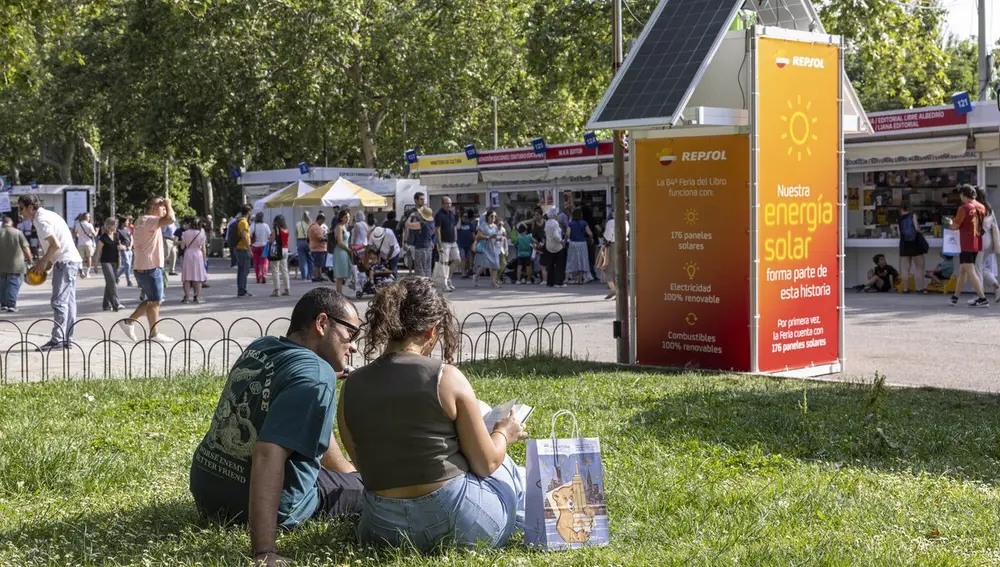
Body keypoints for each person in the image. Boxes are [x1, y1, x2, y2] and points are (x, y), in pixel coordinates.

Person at [339, 276, 527, 552]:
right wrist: (504, 433)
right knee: (509, 468)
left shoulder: (350, 387)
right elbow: (487, 464)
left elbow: (364, 465)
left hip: (381, 529)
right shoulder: (445, 377)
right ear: (432, 331)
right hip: (460, 524)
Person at [190, 288, 364, 565]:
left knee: (352, 477)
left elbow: (295, 391)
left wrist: (327, 378)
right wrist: (264, 552)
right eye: (351, 333)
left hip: (209, 495)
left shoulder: (262, 346)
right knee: (371, 492)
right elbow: (267, 455)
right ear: (322, 323)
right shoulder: (315, 377)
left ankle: (350, 475)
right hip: (267, 506)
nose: (353, 345)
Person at [18, 195, 83, 349]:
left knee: (59, 301)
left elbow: (56, 244)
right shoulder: (49, 215)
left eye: (21, 208)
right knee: (69, 302)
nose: (20, 212)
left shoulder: (41, 220)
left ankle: (57, 340)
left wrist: (43, 261)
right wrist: (49, 262)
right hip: (69, 261)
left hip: (65, 262)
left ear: (30, 207)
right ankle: (68, 339)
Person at [118, 197, 176, 343]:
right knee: (155, 301)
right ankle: (154, 334)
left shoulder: (143, 220)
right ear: (153, 208)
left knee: (152, 300)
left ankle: (129, 322)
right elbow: (170, 219)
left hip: (145, 267)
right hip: (150, 267)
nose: (164, 209)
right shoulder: (149, 220)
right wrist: (169, 204)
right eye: (161, 207)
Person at [945, 184, 989, 307]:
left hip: (966, 242)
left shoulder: (964, 208)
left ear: (964, 195)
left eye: (961, 195)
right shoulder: (981, 207)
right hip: (977, 241)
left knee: (969, 270)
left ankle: (982, 298)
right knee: (963, 270)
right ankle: (955, 297)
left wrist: (950, 222)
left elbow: (955, 226)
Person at [0, 215, 33, 313]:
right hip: (16, 265)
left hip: (1, 265)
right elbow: (26, 248)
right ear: (11, 223)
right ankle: (11, 305)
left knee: (2, 284)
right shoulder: (18, 232)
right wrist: (30, 261)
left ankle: (4, 304)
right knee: (14, 284)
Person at [974, 187, 1000, 302]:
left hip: (981, 239)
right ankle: (997, 287)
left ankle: (981, 296)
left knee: (977, 268)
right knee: (981, 266)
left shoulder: (978, 208)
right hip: (989, 239)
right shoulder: (988, 207)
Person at [897, 204, 928, 294]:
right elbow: (917, 228)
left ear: (902, 210)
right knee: (919, 267)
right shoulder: (913, 215)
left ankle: (906, 289)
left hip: (904, 244)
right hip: (914, 244)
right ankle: (920, 288)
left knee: (905, 268)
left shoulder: (899, 220)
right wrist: (922, 232)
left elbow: (899, 233)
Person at [96, 217, 124, 312]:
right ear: (108, 225)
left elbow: (119, 247)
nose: (115, 226)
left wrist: (122, 247)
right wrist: (95, 265)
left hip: (115, 261)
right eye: (113, 224)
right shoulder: (103, 237)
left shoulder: (116, 235)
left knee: (110, 283)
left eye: (116, 224)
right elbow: (98, 252)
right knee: (112, 282)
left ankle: (106, 304)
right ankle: (116, 304)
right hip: (105, 262)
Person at [434, 197, 460, 291]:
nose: (449, 205)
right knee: (444, 264)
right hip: (444, 242)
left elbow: (454, 226)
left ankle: (448, 279)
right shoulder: (439, 215)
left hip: (453, 241)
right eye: (447, 203)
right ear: (442, 204)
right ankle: (444, 284)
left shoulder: (452, 214)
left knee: (457, 260)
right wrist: (440, 244)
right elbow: (437, 230)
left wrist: (456, 239)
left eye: (450, 203)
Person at [181, 217, 208, 304]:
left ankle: (187, 297)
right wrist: (204, 259)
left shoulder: (185, 233)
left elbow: (182, 246)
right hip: (198, 254)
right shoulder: (201, 234)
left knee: (187, 277)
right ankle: (197, 296)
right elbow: (203, 248)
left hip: (188, 254)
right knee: (198, 276)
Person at [602, 213, 628, 300]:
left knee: (607, 268)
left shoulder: (611, 222)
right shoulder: (626, 222)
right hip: (624, 244)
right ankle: (619, 290)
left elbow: (608, 236)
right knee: (620, 269)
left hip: (613, 245)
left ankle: (613, 289)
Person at [473, 210, 501, 288]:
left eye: (495, 216)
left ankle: (493, 282)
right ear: (487, 217)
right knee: (485, 264)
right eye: (491, 216)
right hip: (485, 246)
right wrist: (488, 237)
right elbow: (479, 235)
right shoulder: (484, 225)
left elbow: (495, 236)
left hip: (493, 246)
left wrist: (498, 238)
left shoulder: (495, 226)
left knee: (495, 264)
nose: (493, 218)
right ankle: (476, 276)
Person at [565, 208, 593, 285]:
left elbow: (567, 234)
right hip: (582, 243)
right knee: (581, 260)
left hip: (573, 243)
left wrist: (565, 241)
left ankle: (566, 278)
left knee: (571, 260)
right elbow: (590, 233)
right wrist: (590, 239)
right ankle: (580, 279)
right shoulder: (584, 223)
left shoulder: (571, 223)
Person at [407, 206, 435, 278]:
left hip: (420, 249)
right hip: (428, 248)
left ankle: (422, 287)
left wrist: (410, 216)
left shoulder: (422, 224)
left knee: (420, 271)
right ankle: (428, 286)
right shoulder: (431, 224)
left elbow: (408, 225)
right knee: (427, 270)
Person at [331, 210, 353, 295]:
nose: (348, 219)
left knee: (342, 273)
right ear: (341, 218)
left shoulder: (345, 226)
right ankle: (339, 293)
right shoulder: (339, 227)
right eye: (346, 217)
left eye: (348, 217)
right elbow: (340, 242)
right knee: (339, 275)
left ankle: (340, 293)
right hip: (340, 251)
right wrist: (348, 250)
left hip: (344, 251)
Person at [268, 215, 291, 297]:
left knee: (275, 270)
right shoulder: (286, 230)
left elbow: (271, 240)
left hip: (277, 251)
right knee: (284, 270)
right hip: (285, 249)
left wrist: (269, 238)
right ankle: (287, 289)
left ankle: (277, 290)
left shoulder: (276, 229)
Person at [544, 211, 567, 288]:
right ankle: (559, 281)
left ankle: (550, 282)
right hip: (557, 246)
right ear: (554, 215)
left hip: (549, 246)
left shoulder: (547, 223)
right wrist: (561, 241)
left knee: (550, 265)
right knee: (559, 265)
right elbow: (556, 235)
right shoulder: (555, 223)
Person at [234, 204, 253, 298]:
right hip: (242, 248)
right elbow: (244, 237)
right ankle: (242, 291)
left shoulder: (241, 221)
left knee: (242, 270)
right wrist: (249, 249)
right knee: (244, 270)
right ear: (249, 212)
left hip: (241, 248)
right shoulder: (243, 222)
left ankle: (241, 290)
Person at [73, 212, 97, 278]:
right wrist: (97, 231)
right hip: (88, 243)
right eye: (89, 217)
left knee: (80, 258)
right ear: (86, 217)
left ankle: (81, 270)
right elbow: (94, 235)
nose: (89, 218)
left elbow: (75, 234)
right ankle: (87, 273)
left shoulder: (78, 225)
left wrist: (80, 236)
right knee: (89, 257)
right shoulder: (89, 225)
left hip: (80, 243)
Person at [250, 212, 271, 285]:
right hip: (264, 246)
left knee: (256, 262)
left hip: (255, 246)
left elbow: (249, 235)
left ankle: (258, 278)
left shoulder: (253, 226)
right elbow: (269, 236)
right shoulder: (266, 226)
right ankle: (264, 275)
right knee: (265, 261)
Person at [116, 215, 134, 287]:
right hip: (124, 250)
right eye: (127, 221)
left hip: (130, 249)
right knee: (127, 265)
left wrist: (130, 246)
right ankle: (129, 281)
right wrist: (122, 247)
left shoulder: (128, 229)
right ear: (123, 222)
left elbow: (131, 238)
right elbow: (118, 241)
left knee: (127, 266)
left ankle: (115, 276)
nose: (128, 222)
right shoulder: (118, 230)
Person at [309, 213, 327, 283]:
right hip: (318, 248)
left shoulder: (314, 226)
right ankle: (316, 276)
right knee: (317, 264)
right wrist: (326, 238)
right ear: (320, 219)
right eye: (322, 221)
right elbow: (320, 238)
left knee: (319, 264)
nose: (323, 223)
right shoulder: (316, 227)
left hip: (317, 247)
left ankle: (320, 276)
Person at [457, 210, 475, 279]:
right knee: (463, 258)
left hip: (469, 243)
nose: (466, 218)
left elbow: (472, 232)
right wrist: (459, 219)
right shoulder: (459, 224)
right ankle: (463, 273)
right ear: (461, 217)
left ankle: (468, 270)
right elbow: (457, 228)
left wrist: (475, 241)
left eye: (467, 217)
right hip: (461, 244)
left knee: (469, 258)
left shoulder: (469, 224)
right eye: (464, 216)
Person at [295, 211, 313, 281]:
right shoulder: (310, 224)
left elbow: (296, 234)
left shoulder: (298, 224)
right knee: (310, 259)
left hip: (300, 241)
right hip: (309, 242)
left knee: (302, 260)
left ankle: (303, 276)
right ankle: (310, 275)